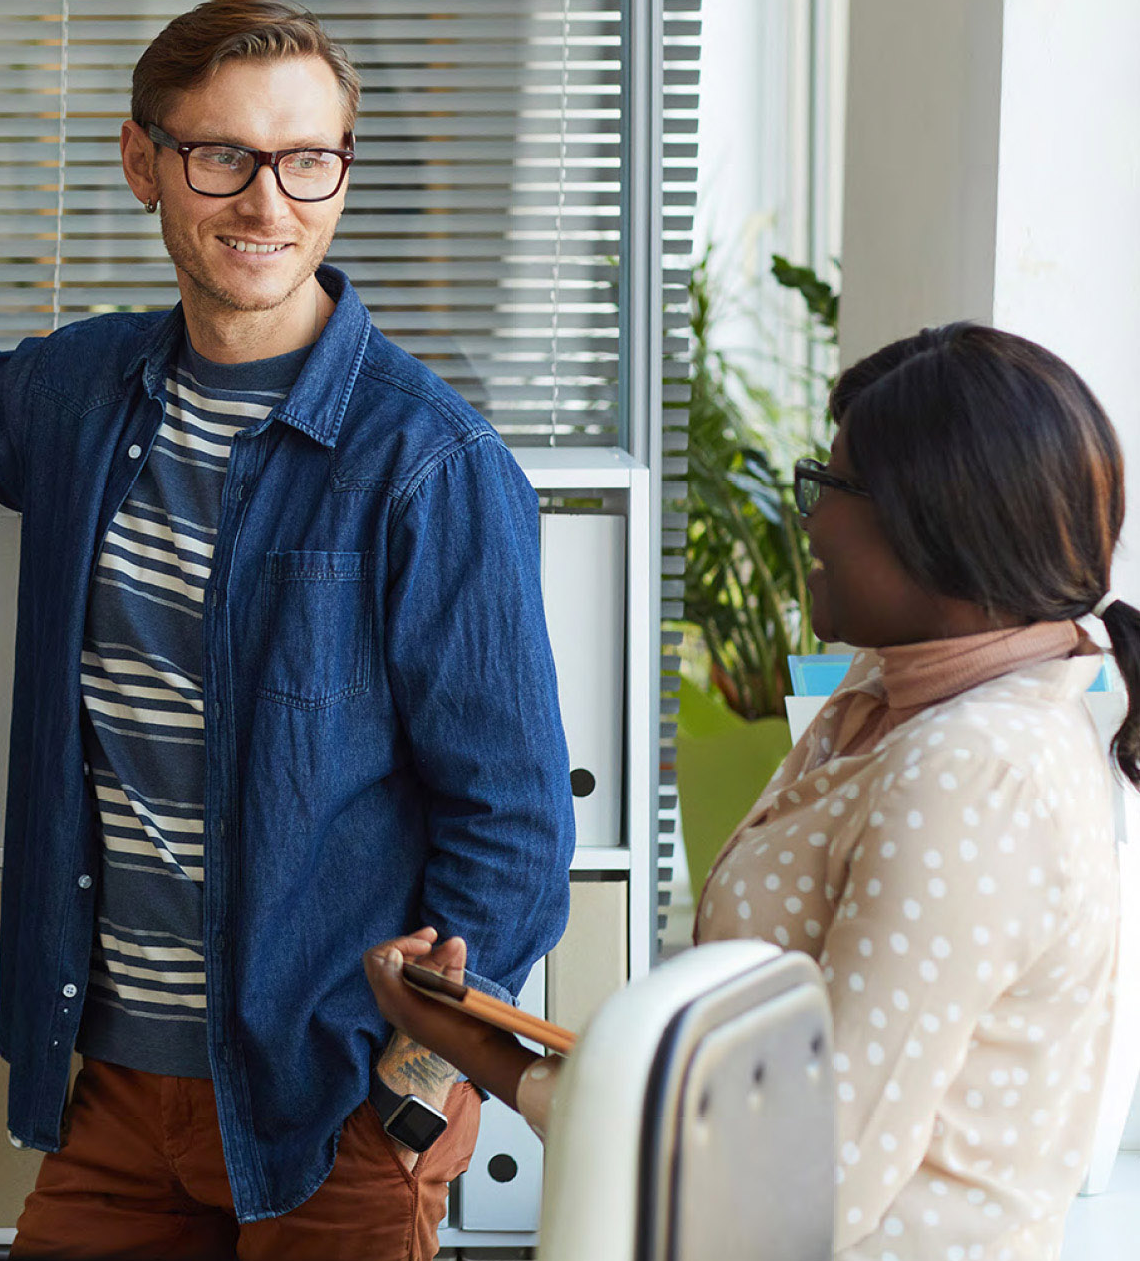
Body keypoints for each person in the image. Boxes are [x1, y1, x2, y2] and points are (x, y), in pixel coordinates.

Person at [0, 0, 575, 1258]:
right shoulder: (83, 394)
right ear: (144, 162)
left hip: (328, 1102)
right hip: (111, 1095)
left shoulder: (429, 464)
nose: (269, 204)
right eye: (224, 156)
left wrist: (409, 1090)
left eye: (309, 160)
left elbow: (514, 824)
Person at [365, 323, 1138, 1261]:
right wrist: (479, 1037)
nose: (808, 522)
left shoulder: (974, 774)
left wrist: (495, 1059)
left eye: (831, 487)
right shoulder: (884, 695)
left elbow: (810, 1178)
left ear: (941, 523)